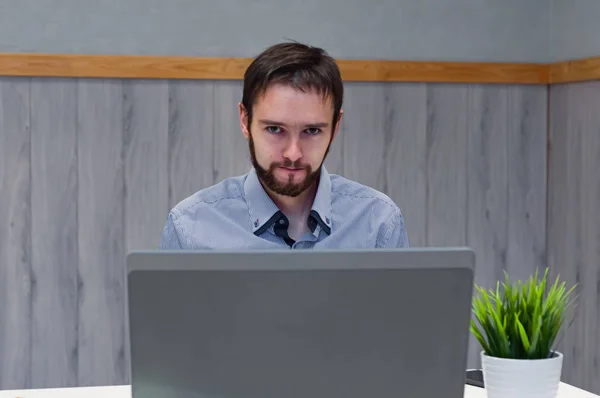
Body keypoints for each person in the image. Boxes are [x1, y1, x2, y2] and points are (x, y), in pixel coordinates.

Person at [159, 41, 409, 250]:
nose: (293, 153)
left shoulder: (378, 223)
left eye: (312, 131)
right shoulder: (191, 228)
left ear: (335, 126)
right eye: (275, 129)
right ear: (245, 120)